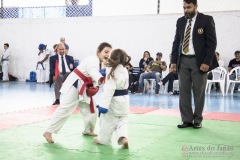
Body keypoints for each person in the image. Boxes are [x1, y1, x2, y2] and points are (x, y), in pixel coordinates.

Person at [43, 42, 112, 143]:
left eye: (109, 53)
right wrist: (101, 79)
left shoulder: (99, 61)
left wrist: (96, 84)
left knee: (91, 109)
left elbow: (92, 75)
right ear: (98, 51)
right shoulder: (93, 60)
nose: (107, 55)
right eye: (105, 52)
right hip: (76, 84)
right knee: (65, 108)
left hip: (83, 86)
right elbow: (92, 71)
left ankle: (88, 129)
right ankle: (48, 132)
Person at [170, 0, 218, 129]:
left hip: (199, 61)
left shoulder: (206, 19)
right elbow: (176, 42)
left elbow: (212, 43)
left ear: (196, 6)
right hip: (183, 60)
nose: (186, 10)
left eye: (189, 7)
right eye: (184, 7)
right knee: (184, 91)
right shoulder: (180, 21)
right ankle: (186, 119)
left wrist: (207, 62)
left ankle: (197, 119)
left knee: (199, 92)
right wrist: (173, 61)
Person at [93, 49, 131, 149]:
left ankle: (103, 140)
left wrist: (103, 106)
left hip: (114, 101)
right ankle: (123, 138)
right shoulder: (124, 69)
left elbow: (109, 90)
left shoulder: (111, 70)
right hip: (125, 100)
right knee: (122, 121)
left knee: (108, 122)